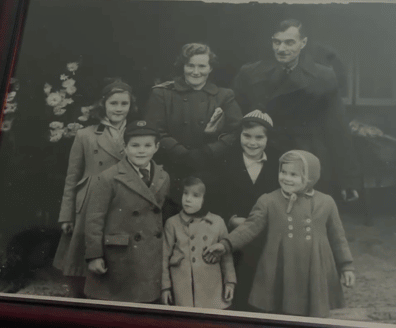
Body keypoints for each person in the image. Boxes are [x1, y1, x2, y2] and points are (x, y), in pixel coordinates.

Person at [204, 150, 355, 317]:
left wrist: (346, 266)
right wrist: (226, 244)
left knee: (313, 312)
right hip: (281, 264)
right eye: (283, 172)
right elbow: (249, 227)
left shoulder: (326, 202)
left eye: (294, 174)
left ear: (310, 177)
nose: (286, 178)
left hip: (314, 266)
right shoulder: (269, 200)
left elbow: (338, 238)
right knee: (281, 311)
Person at [232, 19, 360, 201]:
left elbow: (337, 128)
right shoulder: (250, 74)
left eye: (289, 42)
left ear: (303, 43)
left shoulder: (323, 77)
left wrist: (348, 178)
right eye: (277, 42)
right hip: (265, 155)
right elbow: (236, 121)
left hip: (307, 156)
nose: (281, 49)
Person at [53, 79, 136, 297]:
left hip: (123, 199)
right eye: (114, 103)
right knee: (84, 255)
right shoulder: (86, 135)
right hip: (90, 200)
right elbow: (72, 177)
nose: (119, 108)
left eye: (124, 104)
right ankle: (80, 300)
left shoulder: (137, 135)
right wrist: (66, 215)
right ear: (104, 105)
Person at [84, 121, 170, 303]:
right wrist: (94, 255)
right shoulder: (109, 177)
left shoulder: (163, 176)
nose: (141, 151)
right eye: (135, 145)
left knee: (144, 305)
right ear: (125, 147)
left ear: (157, 147)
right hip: (120, 255)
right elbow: (94, 219)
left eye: (147, 145)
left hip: (150, 254)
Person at [210, 110, 280, 311]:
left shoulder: (276, 164)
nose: (252, 142)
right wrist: (230, 219)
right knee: (238, 287)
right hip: (234, 235)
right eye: (247, 136)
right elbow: (216, 198)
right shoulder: (226, 161)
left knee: (263, 289)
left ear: (268, 138)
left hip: (265, 236)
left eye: (259, 137)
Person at [145, 42, 243, 173]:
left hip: (210, 165)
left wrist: (210, 151)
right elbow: (154, 129)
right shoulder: (162, 93)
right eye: (190, 66)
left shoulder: (224, 95)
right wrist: (181, 153)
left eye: (202, 66)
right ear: (183, 66)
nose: (196, 72)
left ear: (210, 68)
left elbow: (236, 130)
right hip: (170, 165)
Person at [161, 177, 236, 309]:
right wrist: (165, 287)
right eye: (185, 193)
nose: (188, 199)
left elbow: (226, 257)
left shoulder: (218, 222)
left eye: (195, 195)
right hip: (182, 289)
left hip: (211, 288)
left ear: (205, 199)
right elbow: (164, 257)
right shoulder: (172, 223)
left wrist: (229, 282)